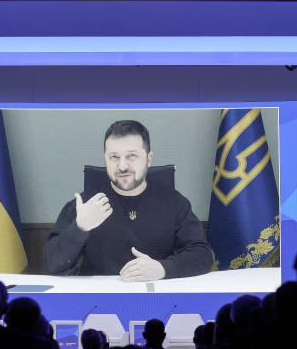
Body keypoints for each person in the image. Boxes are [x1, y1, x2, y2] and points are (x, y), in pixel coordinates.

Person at [44, 120, 213, 280]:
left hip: (156, 296)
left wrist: (163, 268)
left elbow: (202, 255)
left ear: (148, 159)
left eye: (131, 156)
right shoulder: (85, 204)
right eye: (114, 157)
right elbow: (51, 264)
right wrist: (79, 228)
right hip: (98, 299)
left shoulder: (174, 202)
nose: (122, 166)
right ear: (105, 159)